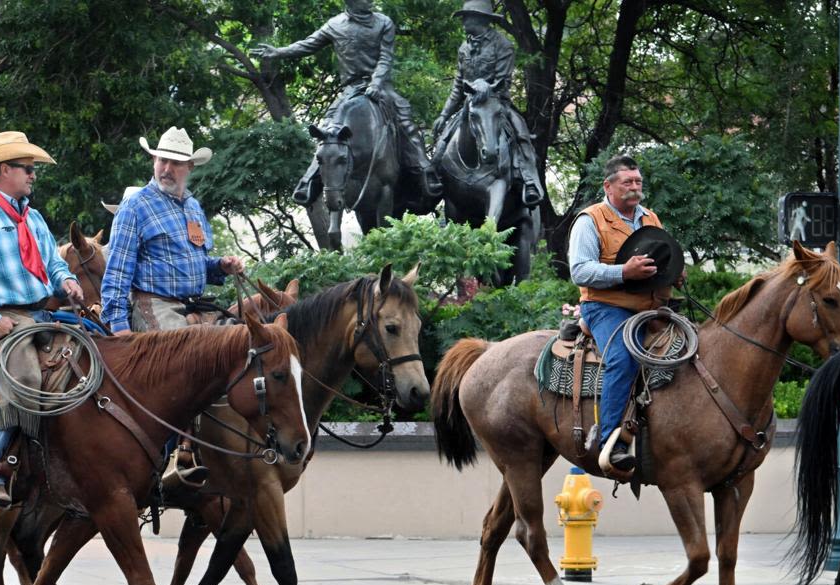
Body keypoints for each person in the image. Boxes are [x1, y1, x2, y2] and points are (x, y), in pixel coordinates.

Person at [0, 131, 84, 507]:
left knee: (95, 350)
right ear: (5, 170)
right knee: (23, 376)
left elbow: (54, 262)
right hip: (3, 315)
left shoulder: (34, 218)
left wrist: (68, 280)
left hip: (41, 312)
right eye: (27, 169)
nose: (33, 175)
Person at [250, 0, 442, 205]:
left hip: (380, 87)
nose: (369, 1)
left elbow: (386, 58)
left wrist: (376, 83)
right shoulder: (335, 24)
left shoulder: (384, 22)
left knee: (404, 119)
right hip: (350, 90)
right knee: (327, 130)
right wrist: (279, 52)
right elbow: (308, 44)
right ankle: (309, 180)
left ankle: (424, 169)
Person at [568, 154, 684, 474]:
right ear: (609, 186)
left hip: (651, 307)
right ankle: (613, 443)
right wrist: (624, 272)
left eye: (638, 182)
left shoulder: (651, 218)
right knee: (623, 356)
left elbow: (660, 261)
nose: (635, 188)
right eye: (627, 182)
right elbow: (579, 271)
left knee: (694, 348)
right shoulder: (590, 220)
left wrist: (673, 274)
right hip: (605, 307)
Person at [100, 127, 244, 335]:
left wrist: (221, 266)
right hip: (157, 306)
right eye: (162, 160)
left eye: (176, 163)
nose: (167, 168)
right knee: (189, 355)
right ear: (154, 161)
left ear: (190, 166)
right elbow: (117, 272)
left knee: (244, 343)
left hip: (196, 306)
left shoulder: (193, 206)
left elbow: (194, 262)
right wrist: (119, 327)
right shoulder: (135, 206)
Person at [431, 0, 543, 206]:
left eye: (467, 16)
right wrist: (444, 114)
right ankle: (434, 178)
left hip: (496, 102)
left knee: (521, 133)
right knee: (444, 138)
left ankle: (529, 181)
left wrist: (486, 86)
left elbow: (504, 80)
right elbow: (457, 86)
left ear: (480, 19)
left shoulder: (503, 45)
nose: (463, 21)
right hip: (470, 103)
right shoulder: (464, 47)